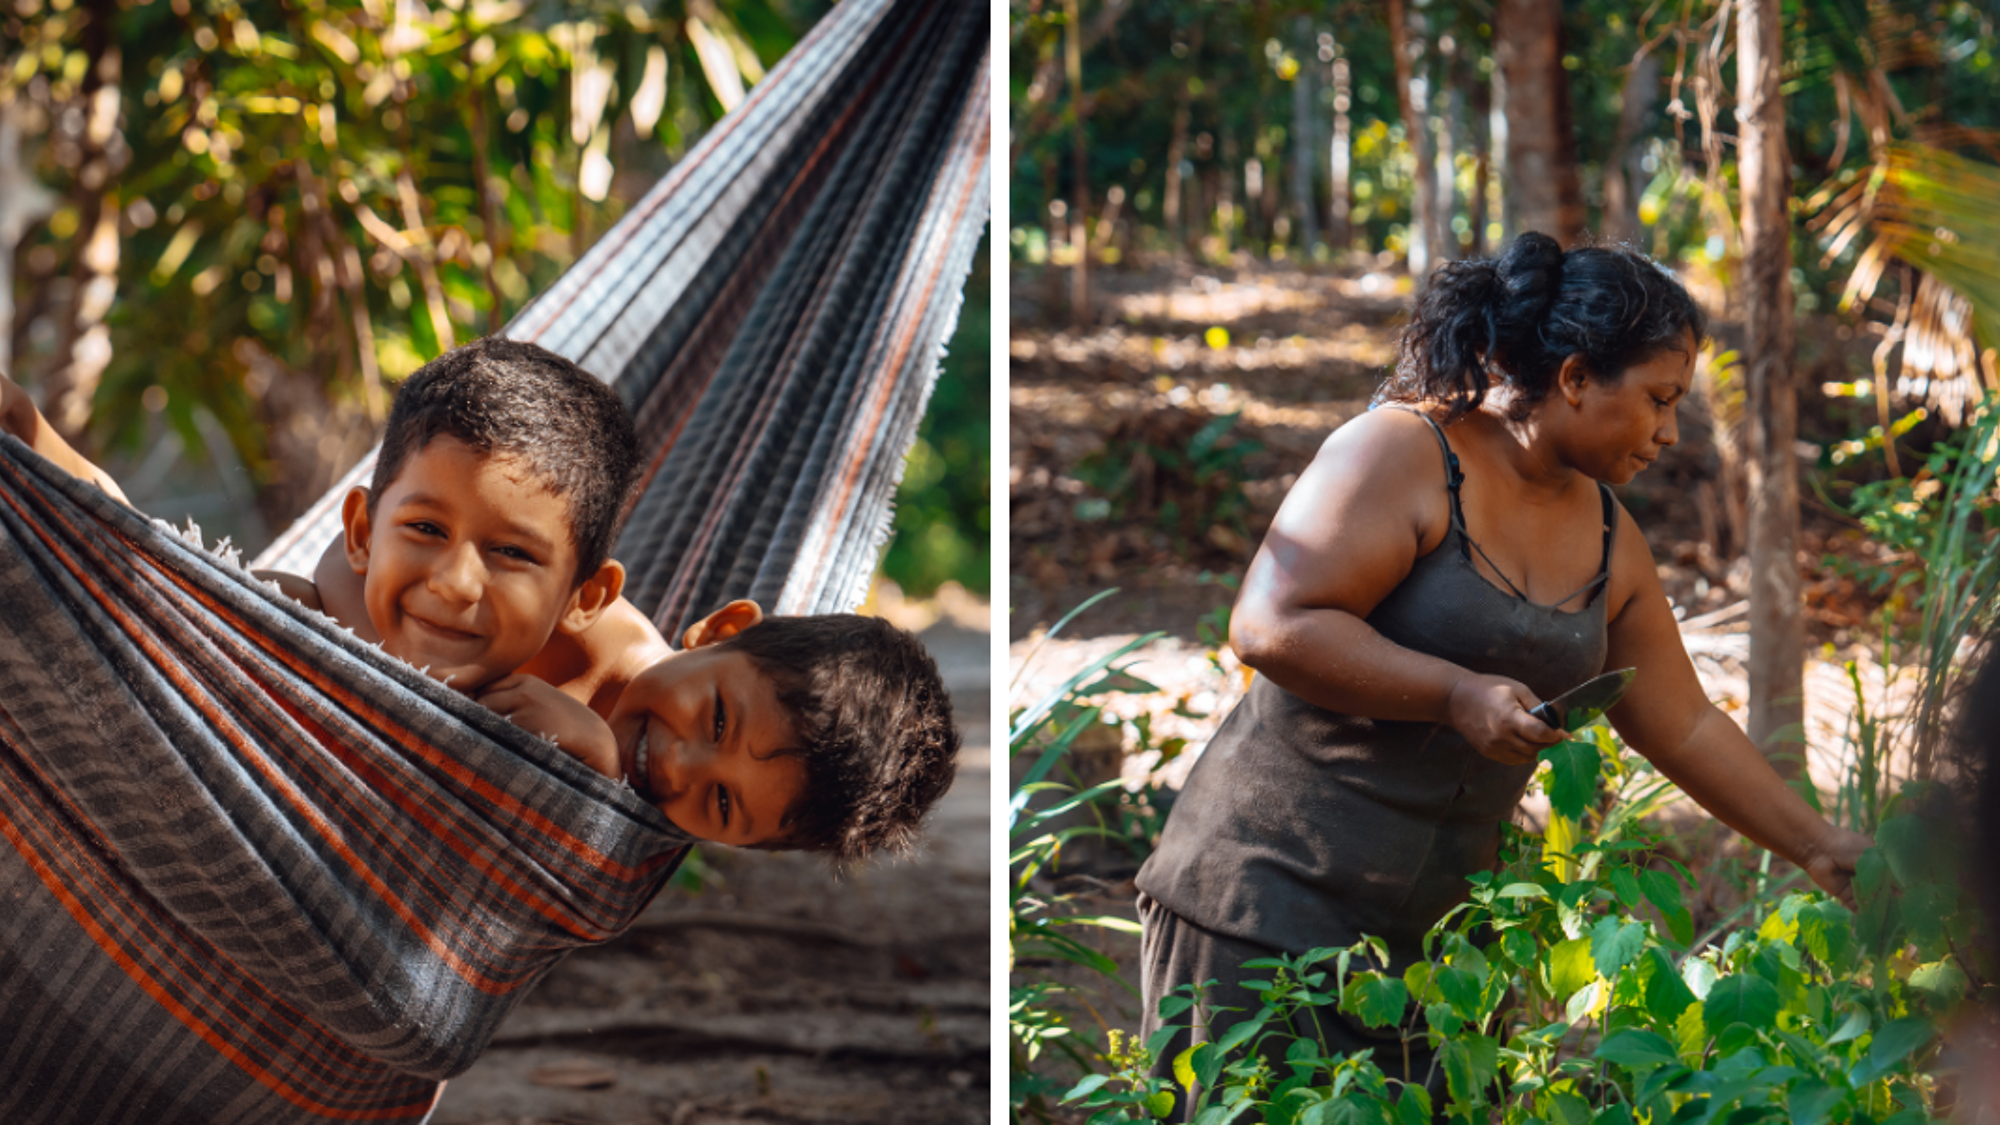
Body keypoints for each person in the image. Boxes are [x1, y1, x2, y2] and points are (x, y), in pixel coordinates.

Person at [1133, 232, 1873, 1112]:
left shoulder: (1607, 532)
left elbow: (1683, 720)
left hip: (1442, 954)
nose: (1672, 432)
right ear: (1574, 377)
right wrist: (1455, 693)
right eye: (1658, 399)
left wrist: (1823, 848)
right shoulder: (1401, 452)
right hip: (1261, 912)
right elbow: (1269, 623)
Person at [0, 338, 958, 860]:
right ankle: (28, 443)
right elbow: (180, 602)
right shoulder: (562, 617)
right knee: (158, 576)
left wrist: (583, 788)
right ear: (718, 631)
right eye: (712, 713)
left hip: (319, 870)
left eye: (718, 801)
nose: (675, 767)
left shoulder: (618, 806)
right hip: (269, 673)